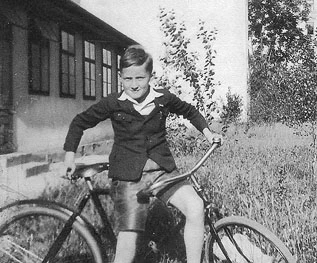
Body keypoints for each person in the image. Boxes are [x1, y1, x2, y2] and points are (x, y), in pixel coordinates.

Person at [63, 45, 221, 263]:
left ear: (150, 76)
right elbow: (79, 122)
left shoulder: (163, 98)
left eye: (140, 78)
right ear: (120, 77)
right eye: (128, 79)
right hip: (129, 178)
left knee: (196, 207)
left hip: (163, 172)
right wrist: (69, 156)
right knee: (129, 237)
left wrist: (207, 132)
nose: (134, 85)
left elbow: (189, 111)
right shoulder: (113, 102)